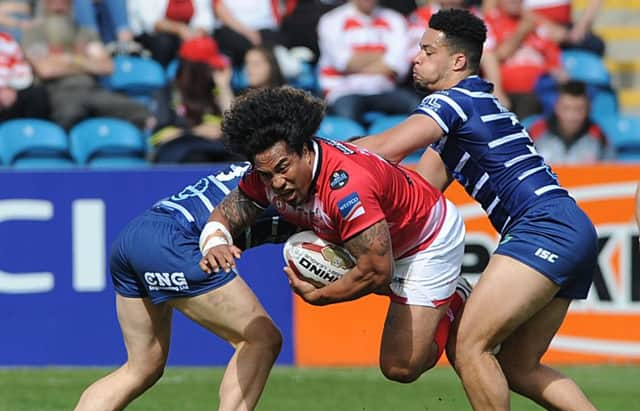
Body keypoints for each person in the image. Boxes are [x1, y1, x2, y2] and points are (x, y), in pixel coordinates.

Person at [357, 9, 619, 411]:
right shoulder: (469, 111)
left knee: (468, 346)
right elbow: (417, 197)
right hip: (571, 229)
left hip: (543, 227)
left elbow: (385, 148)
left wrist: (314, 156)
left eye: (427, 50)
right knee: (519, 367)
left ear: (458, 61)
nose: (416, 58)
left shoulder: (454, 100)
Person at [198, 86, 471, 386]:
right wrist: (215, 241)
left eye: (283, 168)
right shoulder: (265, 176)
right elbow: (226, 213)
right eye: (266, 174)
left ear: (304, 148)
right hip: (376, 238)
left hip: (426, 240)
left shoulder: (346, 187)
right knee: (299, 248)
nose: (277, 182)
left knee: (401, 368)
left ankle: (455, 298)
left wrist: (320, 297)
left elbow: (378, 273)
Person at [64, 162, 296, 411]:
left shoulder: (279, 162)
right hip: (175, 241)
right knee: (261, 339)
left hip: (137, 235)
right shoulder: (308, 179)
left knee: (141, 367)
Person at [20, 0, 150, 130]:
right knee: (70, 115)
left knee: (142, 111)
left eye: (64, 1)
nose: (59, 4)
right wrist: (86, 61)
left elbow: (107, 67)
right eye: (52, 1)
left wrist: (70, 60)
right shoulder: (34, 33)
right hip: (58, 92)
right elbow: (46, 70)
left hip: (93, 90)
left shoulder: (85, 32)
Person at [316, 0, 419, 125]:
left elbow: (398, 65)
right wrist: (382, 56)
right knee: (348, 117)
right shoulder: (331, 20)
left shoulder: (395, 19)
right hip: (343, 91)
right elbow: (343, 62)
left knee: (419, 109)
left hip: (384, 89)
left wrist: (357, 63)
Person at [150, 35, 240, 163]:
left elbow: (237, 128)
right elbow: (158, 137)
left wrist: (224, 87)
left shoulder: (217, 90)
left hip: (216, 149)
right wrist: (195, 132)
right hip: (181, 152)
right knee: (197, 158)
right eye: (211, 67)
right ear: (196, 69)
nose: (215, 71)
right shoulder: (167, 93)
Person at [528, 80, 613, 164]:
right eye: (566, 108)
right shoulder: (536, 133)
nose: (572, 116)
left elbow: (610, 171)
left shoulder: (599, 136)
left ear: (588, 109)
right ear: (556, 107)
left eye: (579, 109)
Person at [0, 30, 49, 121]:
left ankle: (33, 131)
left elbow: (20, 66)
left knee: (37, 94)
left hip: (12, 87)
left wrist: (11, 87)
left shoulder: (6, 40)